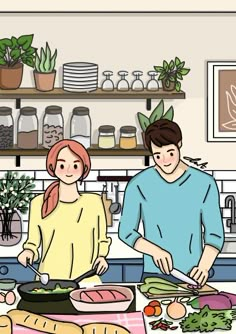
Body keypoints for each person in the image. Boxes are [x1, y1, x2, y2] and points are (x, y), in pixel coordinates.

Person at [118, 119, 224, 286]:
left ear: (179, 145)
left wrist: (203, 267)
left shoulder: (204, 183)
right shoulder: (138, 184)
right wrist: (155, 251)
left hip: (194, 275)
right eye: (157, 155)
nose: (165, 160)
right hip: (154, 276)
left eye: (170, 153)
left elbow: (215, 235)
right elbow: (126, 232)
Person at [18, 139, 111, 283]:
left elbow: (102, 239)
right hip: (49, 281)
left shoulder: (94, 203)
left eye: (75, 165)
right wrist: (28, 252)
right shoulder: (38, 204)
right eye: (62, 165)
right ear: (52, 166)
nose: (68, 171)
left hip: (87, 281)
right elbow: (33, 243)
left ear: (84, 168)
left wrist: (101, 257)